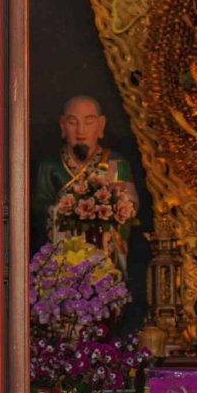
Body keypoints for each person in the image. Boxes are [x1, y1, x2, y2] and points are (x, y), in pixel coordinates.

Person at [31, 94, 138, 266]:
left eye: (89, 122)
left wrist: (109, 213)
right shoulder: (50, 166)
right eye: (73, 122)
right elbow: (39, 208)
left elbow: (130, 208)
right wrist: (65, 211)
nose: (81, 131)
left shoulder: (116, 163)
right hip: (63, 252)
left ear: (101, 125)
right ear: (63, 125)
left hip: (104, 252)